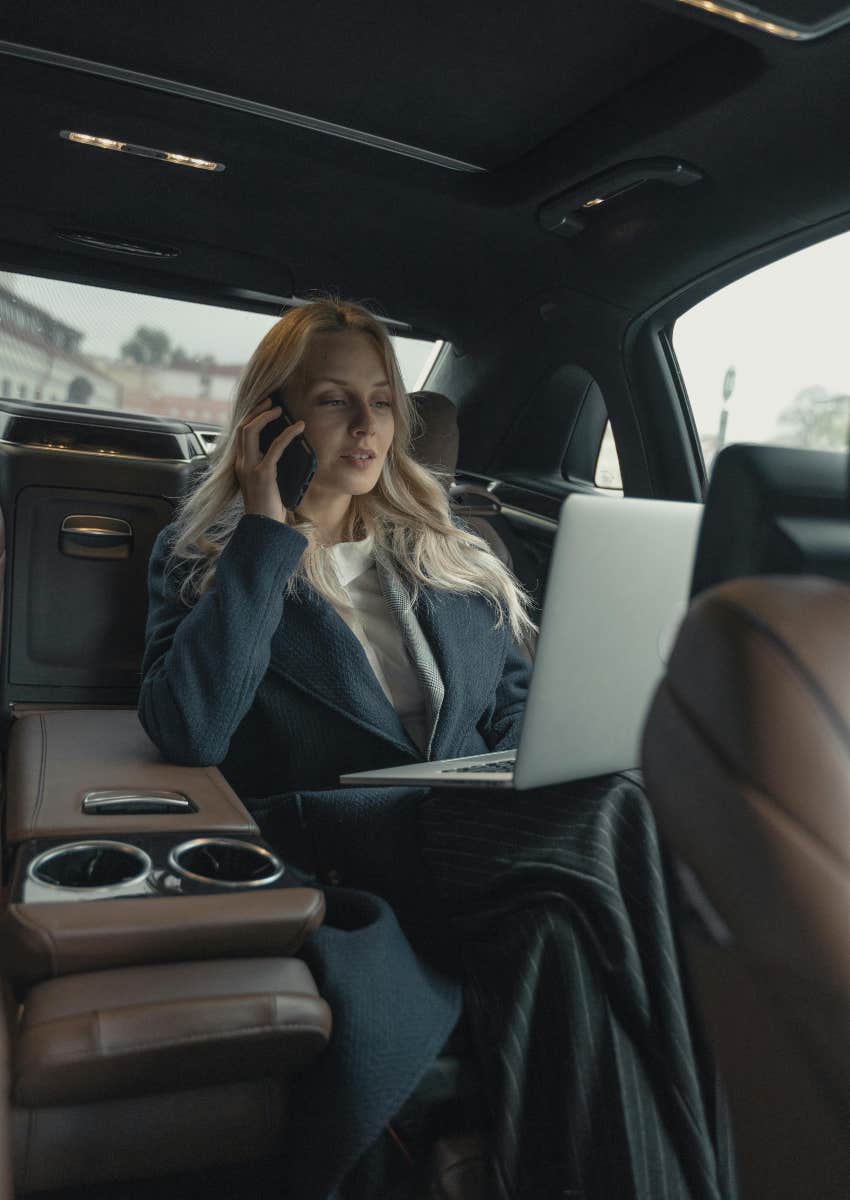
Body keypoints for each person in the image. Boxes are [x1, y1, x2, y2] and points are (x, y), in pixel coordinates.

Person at [139, 299, 737, 1200]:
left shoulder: (451, 551)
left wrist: (539, 751)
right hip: (340, 840)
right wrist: (268, 535)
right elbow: (191, 728)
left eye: (383, 398)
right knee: (616, 814)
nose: (369, 424)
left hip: (484, 840)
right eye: (336, 399)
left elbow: (517, 711)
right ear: (274, 417)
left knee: (561, 940)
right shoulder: (207, 556)